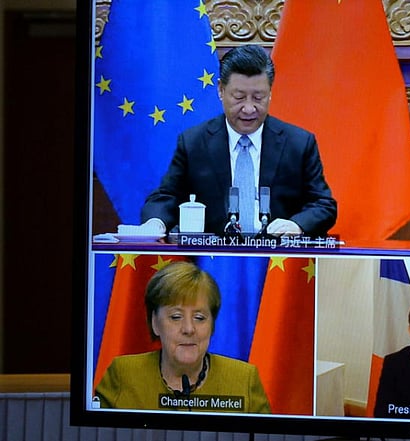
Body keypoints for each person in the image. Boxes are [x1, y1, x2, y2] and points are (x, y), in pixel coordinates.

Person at [140, 44, 337, 237]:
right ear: (220, 90)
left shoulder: (298, 143)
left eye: (258, 97)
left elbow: (323, 205)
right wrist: (156, 223)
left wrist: (296, 225)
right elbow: (166, 198)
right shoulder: (194, 142)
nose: (249, 109)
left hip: (276, 261)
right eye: (239, 97)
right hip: (213, 261)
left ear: (270, 92)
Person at [95, 261, 271, 413]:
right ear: (155, 322)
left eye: (199, 318)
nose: (188, 329)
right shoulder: (123, 374)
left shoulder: (244, 379)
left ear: (212, 325)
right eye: (176, 317)